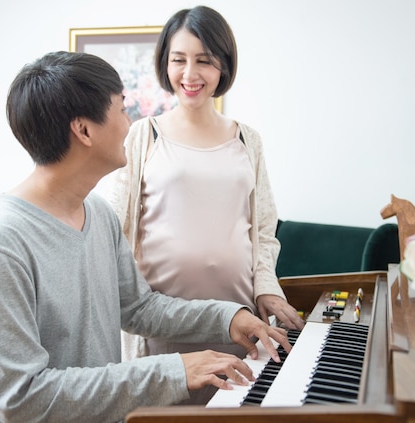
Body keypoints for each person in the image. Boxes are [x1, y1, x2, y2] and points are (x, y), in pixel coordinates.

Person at [0, 51, 291, 423]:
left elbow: (137, 308)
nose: (130, 123)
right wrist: (174, 371)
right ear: (84, 130)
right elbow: (21, 398)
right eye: (121, 109)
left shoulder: (97, 214)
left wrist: (228, 318)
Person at [106, 5, 305, 403]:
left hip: (238, 322)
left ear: (223, 67)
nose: (190, 74)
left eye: (204, 61)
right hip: (159, 327)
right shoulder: (143, 135)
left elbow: (264, 230)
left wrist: (267, 287)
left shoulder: (248, 140)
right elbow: (114, 228)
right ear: (165, 63)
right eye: (178, 60)